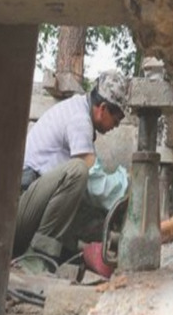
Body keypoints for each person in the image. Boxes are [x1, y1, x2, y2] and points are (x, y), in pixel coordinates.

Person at [12, 70, 130, 274]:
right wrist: (129, 192)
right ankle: (34, 259)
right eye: (116, 120)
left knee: (83, 197)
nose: (116, 126)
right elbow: (95, 183)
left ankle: (60, 254)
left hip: (28, 207)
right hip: (16, 214)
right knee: (79, 173)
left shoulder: (78, 111)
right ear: (102, 109)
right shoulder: (79, 121)